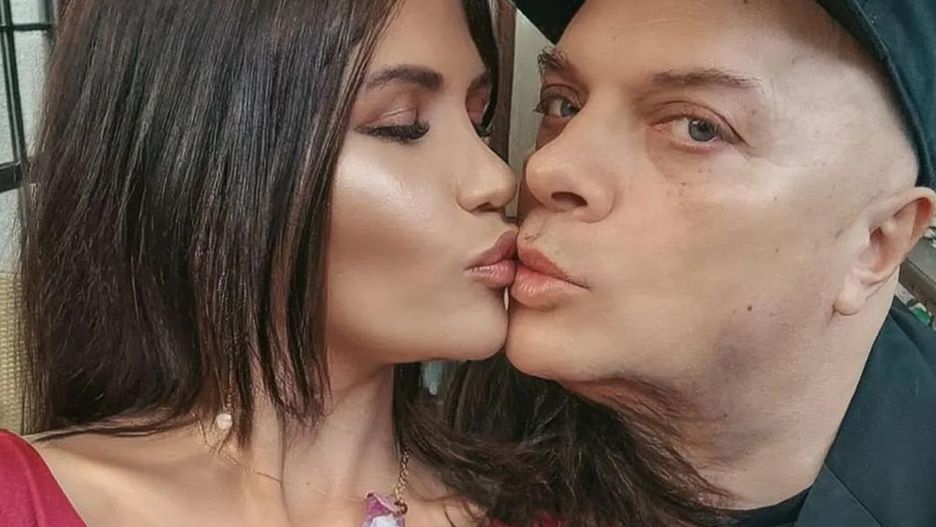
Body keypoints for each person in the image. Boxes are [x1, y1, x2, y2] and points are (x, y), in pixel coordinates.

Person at [0, 0, 519, 525]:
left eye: (479, 122)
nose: (497, 179)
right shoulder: (21, 500)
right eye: (402, 125)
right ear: (201, 168)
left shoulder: (530, 510)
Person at [493, 0, 936, 525]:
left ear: (875, 244)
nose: (544, 168)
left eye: (697, 128)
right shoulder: (466, 371)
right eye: (564, 105)